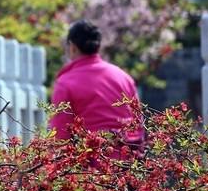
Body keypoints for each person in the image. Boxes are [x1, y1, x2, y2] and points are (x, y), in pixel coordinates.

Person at [49, 20, 145, 149]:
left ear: (72, 47)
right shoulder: (124, 78)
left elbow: (60, 138)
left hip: (88, 163)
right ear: (98, 46)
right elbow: (138, 127)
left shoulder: (66, 83)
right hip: (127, 161)